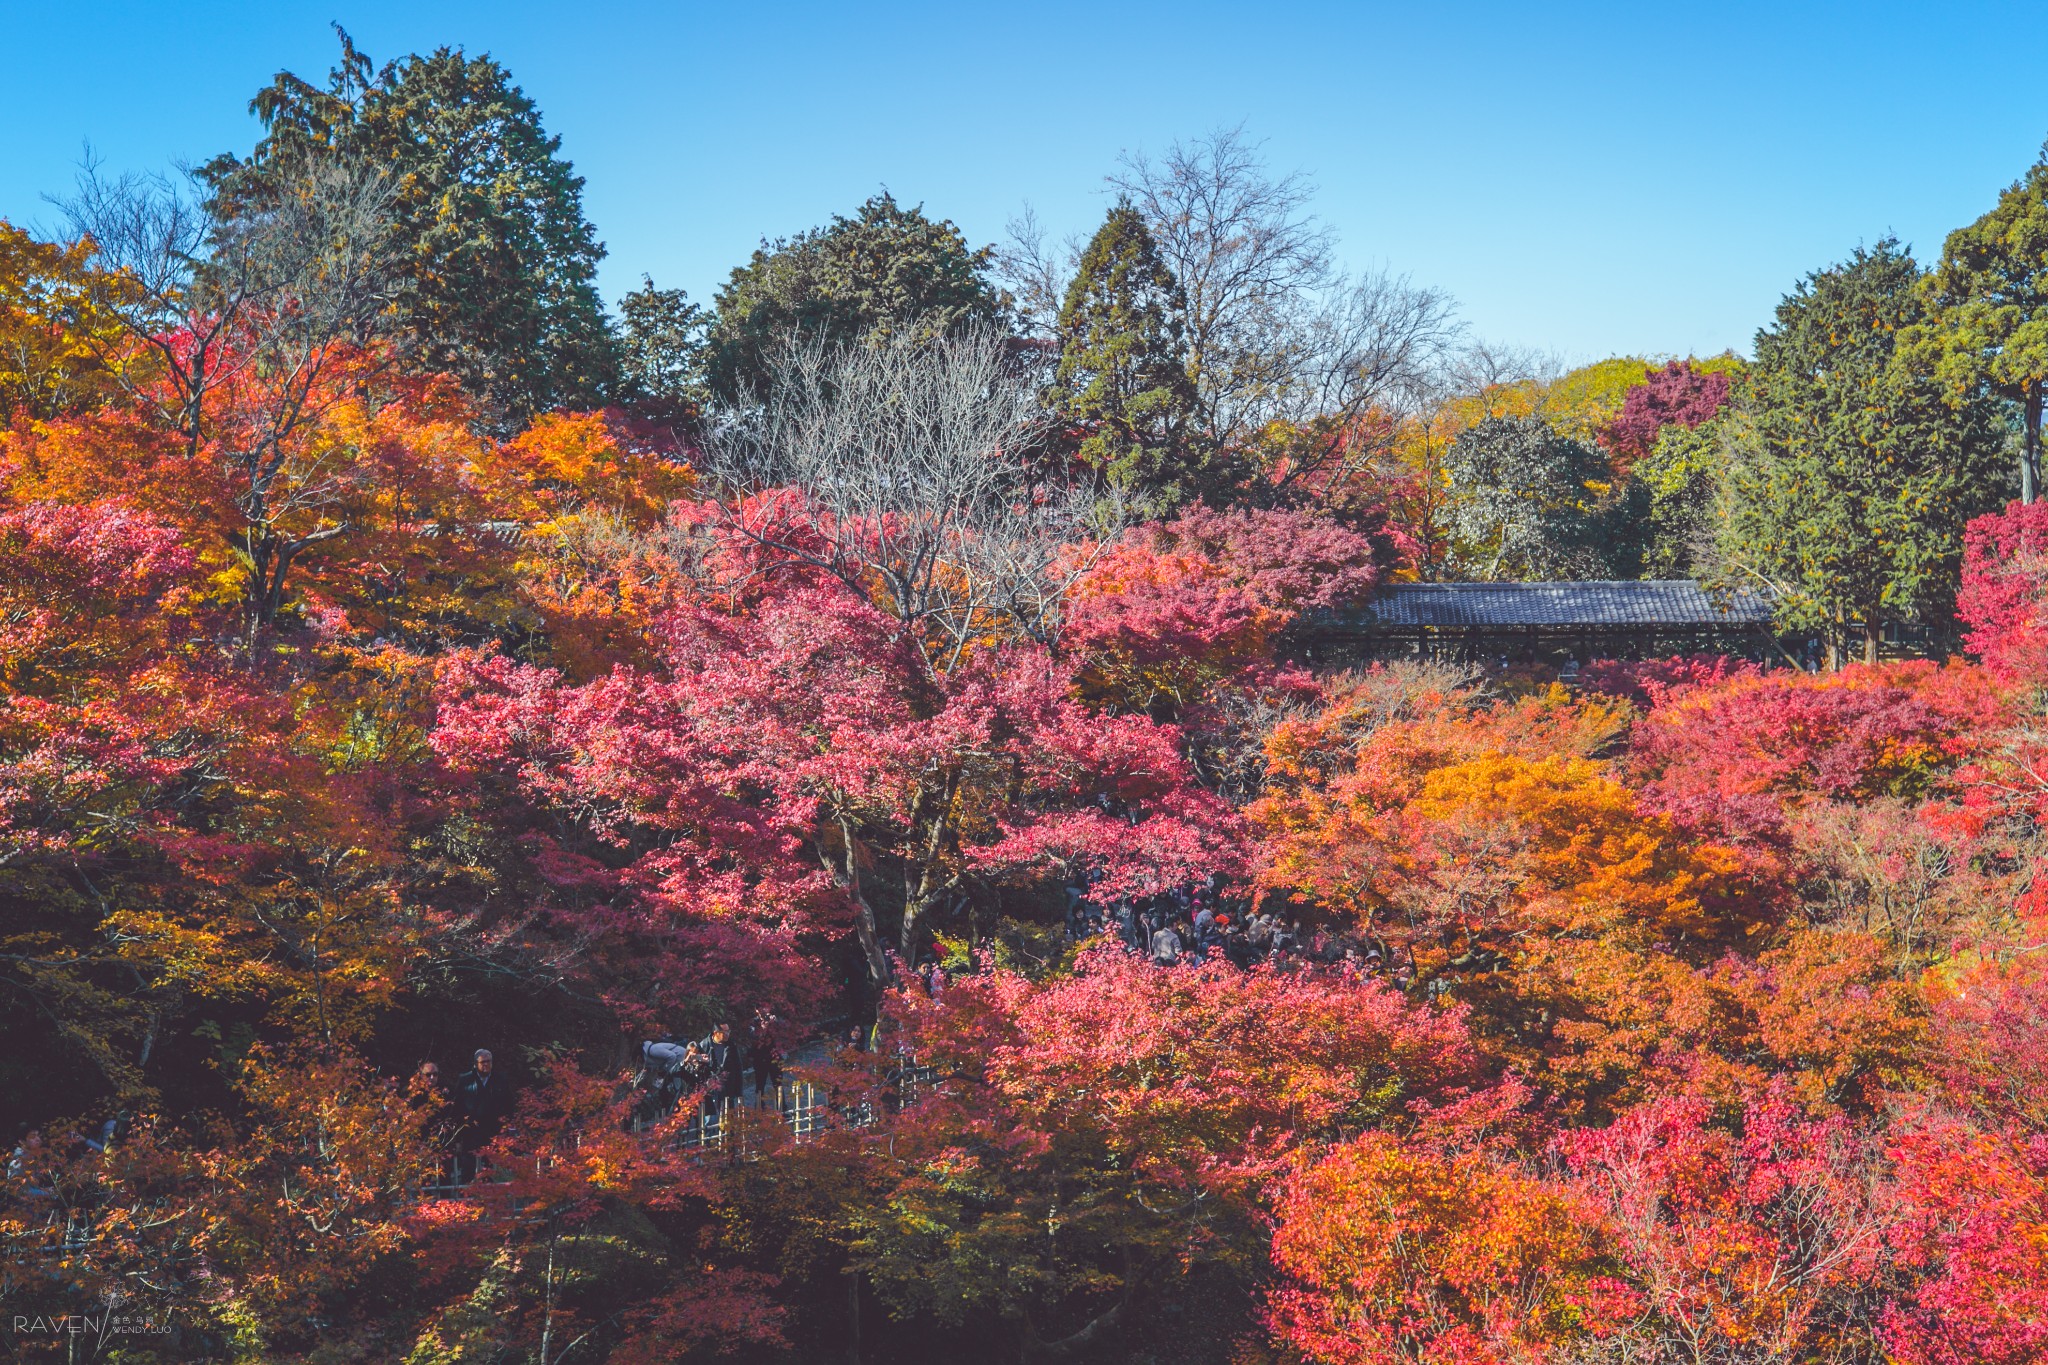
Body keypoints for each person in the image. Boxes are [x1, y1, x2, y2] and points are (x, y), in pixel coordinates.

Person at [452, 1049, 515, 1185]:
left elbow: (509, 1105)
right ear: (476, 1064)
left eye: (489, 1061)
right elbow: (457, 1106)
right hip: (471, 1129)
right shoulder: (465, 1080)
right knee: (468, 1167)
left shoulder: (500, 1080)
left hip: (492, 1129)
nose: (486, 1065)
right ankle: (466, 1198)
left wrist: (505, 1127)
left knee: (489, 1168)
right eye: (483, 1062)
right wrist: (460, 1130)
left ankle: (488, 1198)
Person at [703, 1023, 747, 1108]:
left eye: (728, 1031)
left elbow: (738, 1068)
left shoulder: (731, 1046)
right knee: (712, 1118)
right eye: (724, 1032)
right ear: (716, 1033)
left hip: (727, 1087)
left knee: (728, 1115)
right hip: (710, 1089)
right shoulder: (704, 1046)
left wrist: (739, 1092)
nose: (727, 1034)